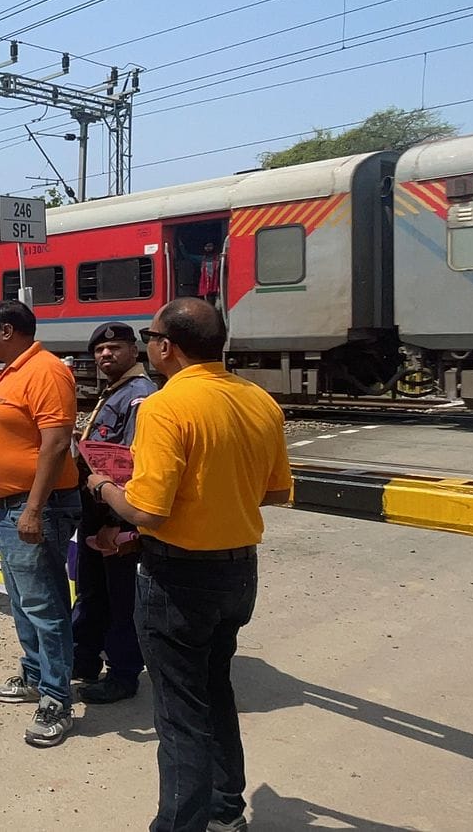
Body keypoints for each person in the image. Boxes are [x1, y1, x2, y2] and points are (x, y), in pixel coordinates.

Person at [87, 298, 291, 832]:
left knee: (179, 715)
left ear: (165, 346)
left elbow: (148, 508)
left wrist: (104, 486)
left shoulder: (166, 406)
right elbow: (271, 492)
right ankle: (226, 811)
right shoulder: (260, 401)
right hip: (238, 573)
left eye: (149, 335)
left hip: (179, 579)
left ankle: (180, 825)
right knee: (215, 691)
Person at [0, 299, 82, 748]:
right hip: (10, 505)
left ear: (9, 330)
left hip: (38, 506)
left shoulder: (47, 371)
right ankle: (35, 673)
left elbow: (56, 444)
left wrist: (33, 508)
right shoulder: (14, 371)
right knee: (22, 599)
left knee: (45, 604)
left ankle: (56, 697)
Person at [71, 322, 156, 705]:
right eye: (100, 352)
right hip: (97, 512)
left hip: (115, 517)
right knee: (91, 591)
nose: (106, 355)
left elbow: (131, 465)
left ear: (133, 353)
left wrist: (117, 524)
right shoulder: (116, 392)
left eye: (115, 349)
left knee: (119, 597)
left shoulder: (139, 396)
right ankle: (85, 659)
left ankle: (123, 673)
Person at [198, 242, 221, 306]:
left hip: (217, 285)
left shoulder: (219, 258)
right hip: (207, 286)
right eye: (206, 246)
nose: (208, 248)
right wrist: (181, 246)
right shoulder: (202, 258)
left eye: (210, 246)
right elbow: (188, 257)